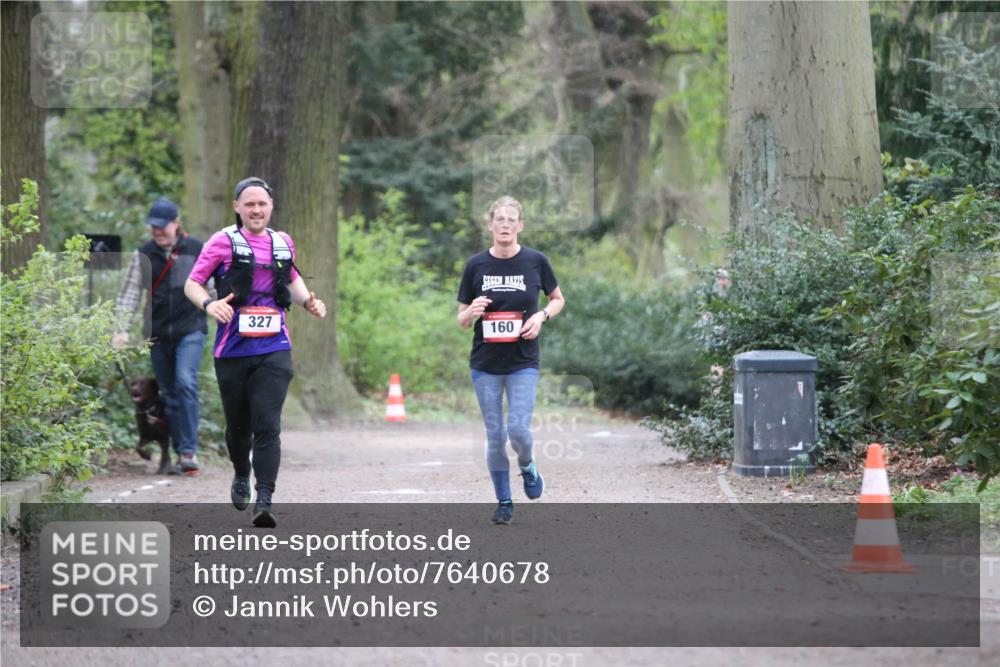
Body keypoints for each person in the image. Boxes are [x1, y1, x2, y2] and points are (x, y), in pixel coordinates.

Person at [184, 177, 326, 528]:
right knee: (238, 426)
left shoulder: (283, 243)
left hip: (274, 346)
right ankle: (239, 471)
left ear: (271, 206)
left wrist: (308, 301)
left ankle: (264, 500)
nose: (256, 210)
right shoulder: (222, 242)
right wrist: (209, 304)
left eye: (262, 203)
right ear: (237, 207)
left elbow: (290, 278)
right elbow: (192, 282)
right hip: (232, 349)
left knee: (268, 424)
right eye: (249, 204)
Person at [457, 196, 565, 525]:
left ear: (520, 225)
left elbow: (558, 299)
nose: (505, 225)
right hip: (485, 364)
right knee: (494, 434)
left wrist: (542, 316)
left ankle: (528, 466)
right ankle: (504, 501)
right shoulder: (476, 265)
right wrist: (471, 312)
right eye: (499, 219)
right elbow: (461, 318)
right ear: (490, 225)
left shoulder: (535, 261)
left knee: (517, 429)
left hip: (523, 362)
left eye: (511, 219)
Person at [114, 197, 208, 475]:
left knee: (184, 381)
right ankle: (180, 453)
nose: (157, 232)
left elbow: (210, 287)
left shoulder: (197, 249)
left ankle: (189, 451)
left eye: (162, 227)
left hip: (191, 328)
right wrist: (120, 328)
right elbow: (130, 294)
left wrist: (219, 308)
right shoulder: (143, 254)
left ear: (177, 224)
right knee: (168, 392)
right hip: (156, 334)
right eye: (153, 227)